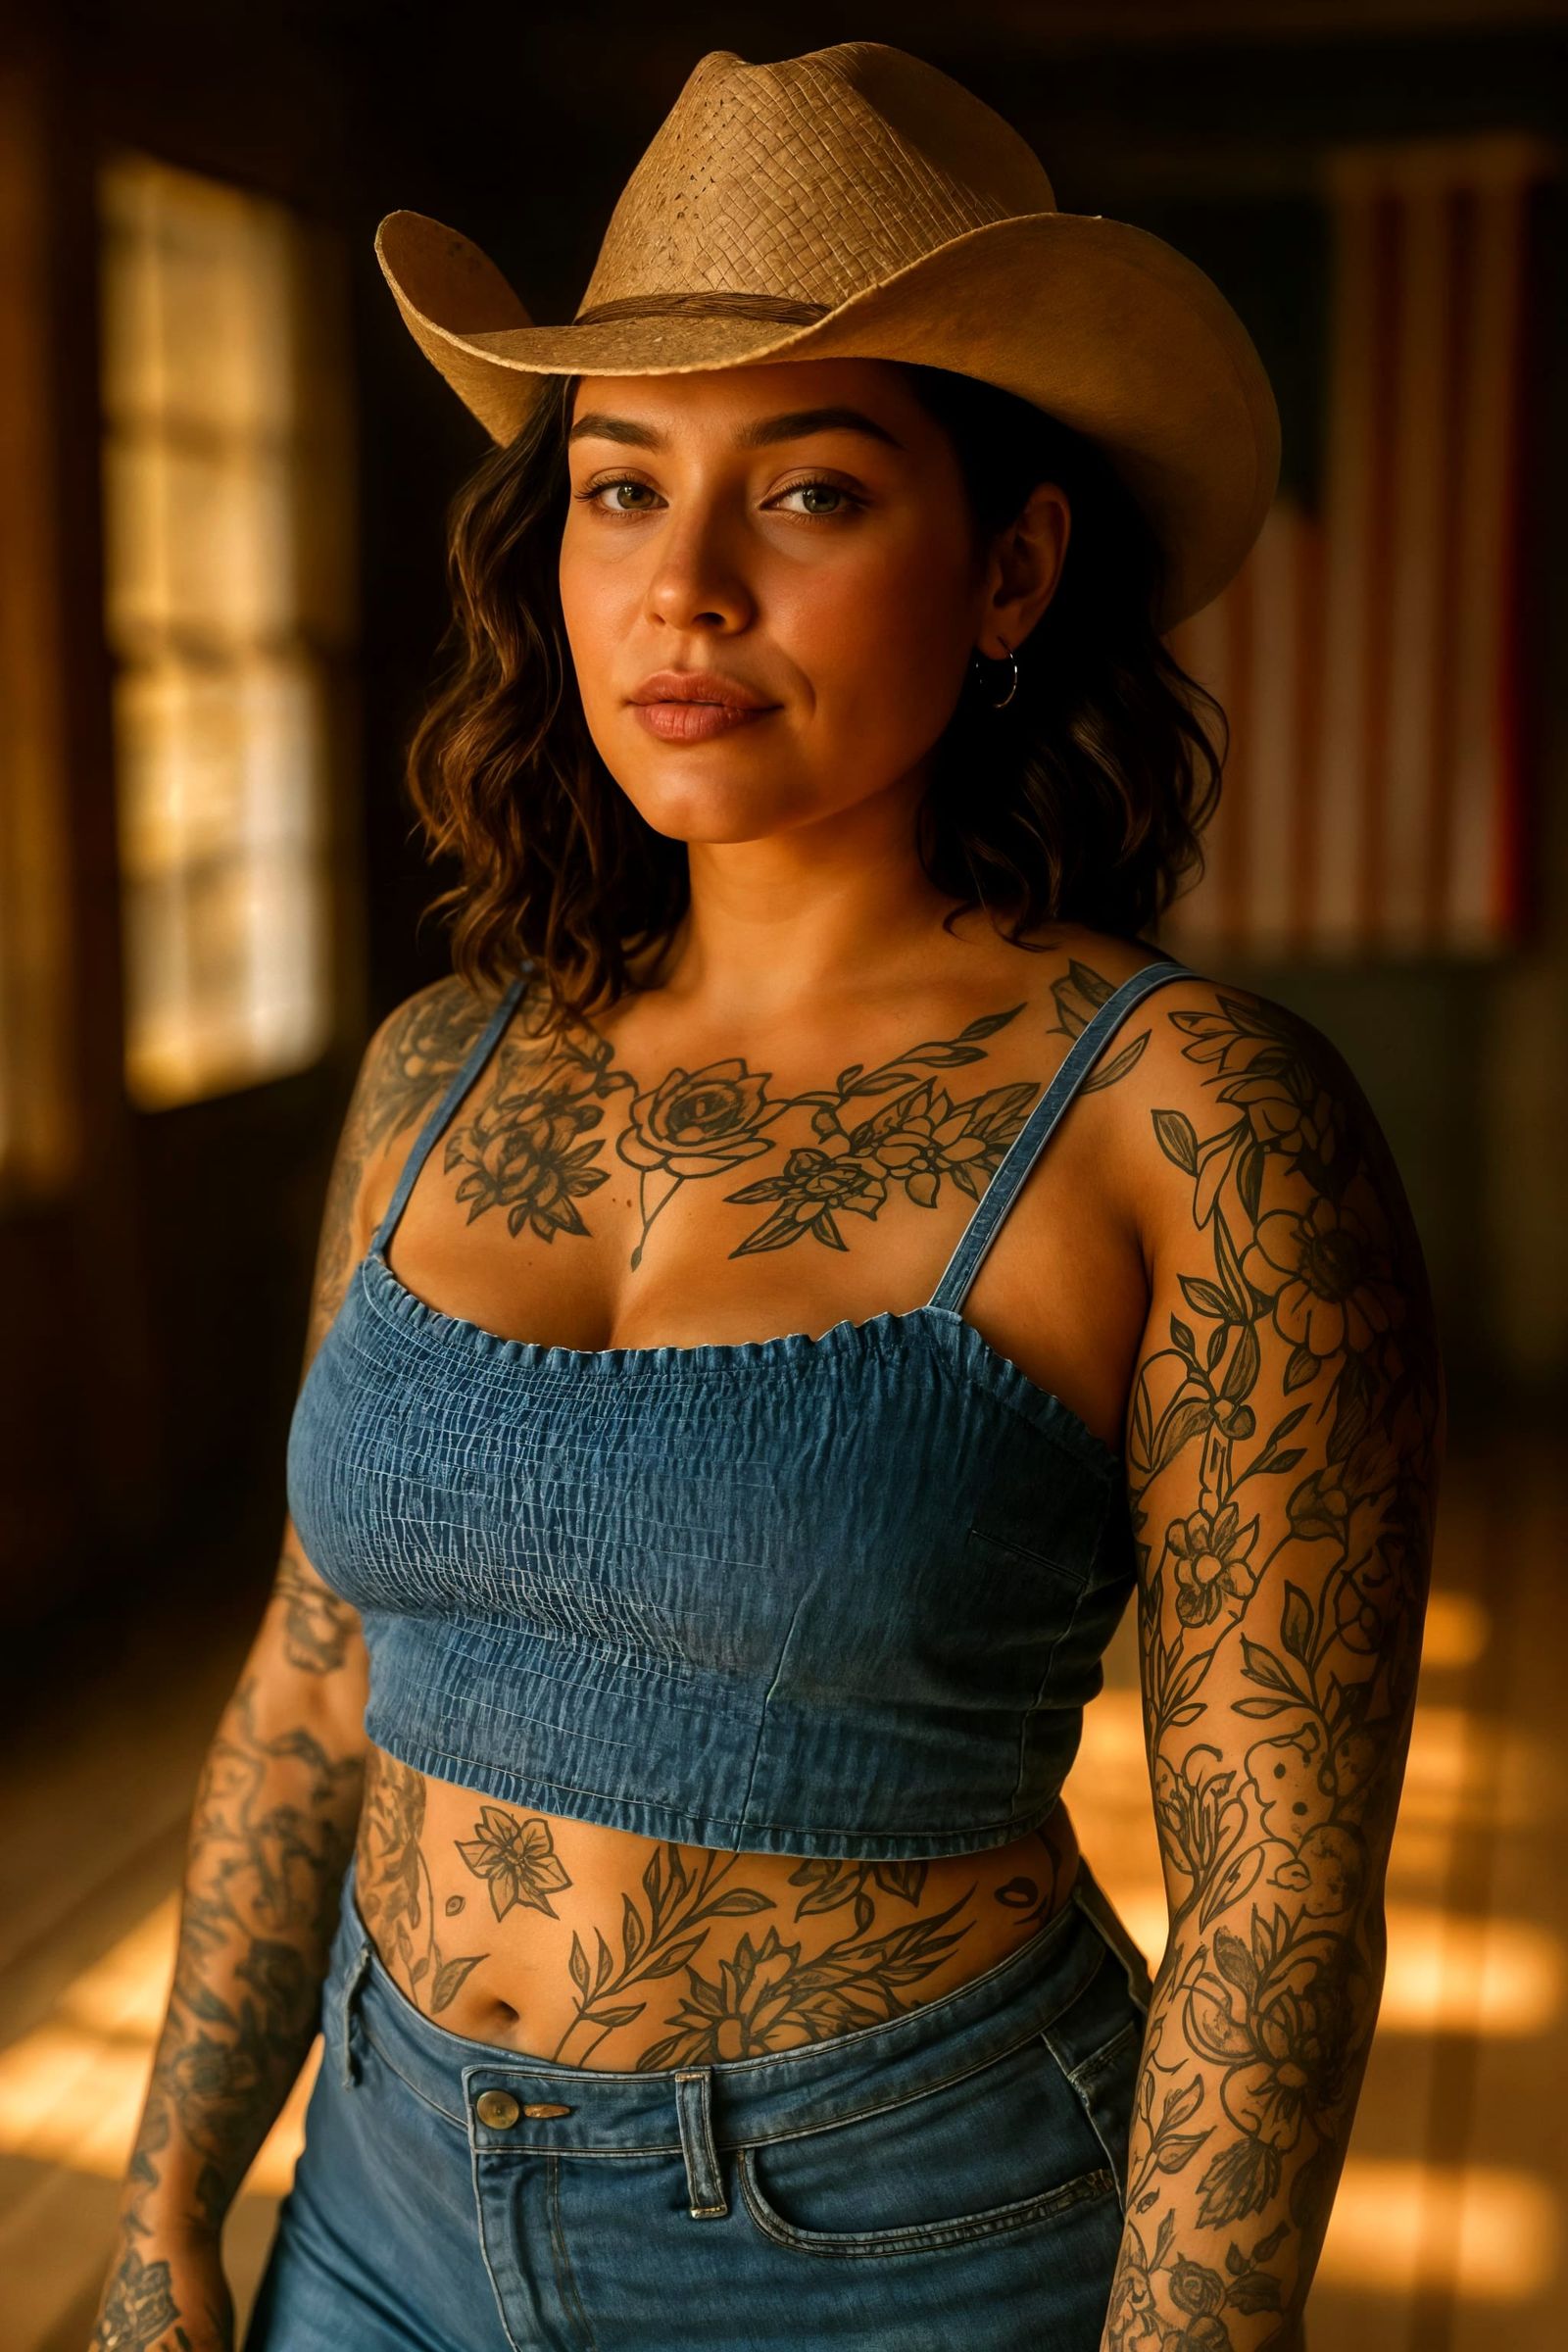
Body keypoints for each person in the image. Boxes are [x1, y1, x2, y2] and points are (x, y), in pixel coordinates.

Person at [90, 40, 1444, 2352]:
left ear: (1008, 563)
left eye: (807, 495)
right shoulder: (441, 1069)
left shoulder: (1187, 1120)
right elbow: (314, 1684)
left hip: (910, 2243)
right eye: (620, 490)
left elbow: (1273, 1889)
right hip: (387, 2208)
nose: (683, 590)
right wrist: (159, 2210)